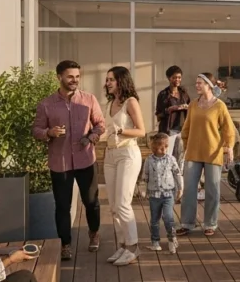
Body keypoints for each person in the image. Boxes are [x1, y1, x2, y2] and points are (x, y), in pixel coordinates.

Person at [32, 60, 105, 260]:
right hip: (60, 163)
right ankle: (65, 244)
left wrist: (91, 137)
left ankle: (94, 233)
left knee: (91, 202)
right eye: (70, 77)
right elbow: (36, 130)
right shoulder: (46, 104)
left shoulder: (89, 100)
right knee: (62, 206)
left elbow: (100, 124)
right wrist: (49, 132)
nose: (75, 80)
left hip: (85, 160)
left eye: (77, 77)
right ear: (59, 77)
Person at [176, 73, 236, 237]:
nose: (196, 86)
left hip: (213, 153)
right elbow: (186, 128)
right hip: (193, 153)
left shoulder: (220, 106)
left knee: (212, 190)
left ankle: (210, 223)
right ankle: (187, 223)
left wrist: (228, 147)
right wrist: (186, 145)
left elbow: (228, 130)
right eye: (196, 83)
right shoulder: (193, 105)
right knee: (189, 189)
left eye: (200, 83)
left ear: (209, 85)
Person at [102, 66, 146, 267]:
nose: (108, 82)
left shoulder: (131, 102)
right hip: (110, 155)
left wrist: (122, 129)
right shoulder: (110, 103)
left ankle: (133, 247)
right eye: (107, 79)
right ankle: (122, 245)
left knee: (122, 203)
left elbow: (141, 131)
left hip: (128, 154)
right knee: (113, 206)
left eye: (111, 79)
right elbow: (107, 131)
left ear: (121, 81)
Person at [140, 133, 183, 254]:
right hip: (154, 195)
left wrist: (180, 188)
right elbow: (145, 175)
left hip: (168, 194)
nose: (164, 149)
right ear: (154, 148)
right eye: (160, 146)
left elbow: (177, 173)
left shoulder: (171, 159)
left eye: (166, 146)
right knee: (154, 219)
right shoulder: (149, 160)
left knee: (168, 217)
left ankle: (171, 238)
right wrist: (143, 188)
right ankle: (155, 242)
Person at [155, 65, 190, 166]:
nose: (177, 80)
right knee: (166, 156)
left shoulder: (184, 93)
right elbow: (158, 115)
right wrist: (170, 110)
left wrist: (187, 107)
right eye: (174, 77)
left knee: (180, 158)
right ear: (169, 78)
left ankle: (177, 179)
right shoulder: (163, 94)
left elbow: (190, 109)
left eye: (179, 77)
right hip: (168, 130)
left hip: (182, 129)